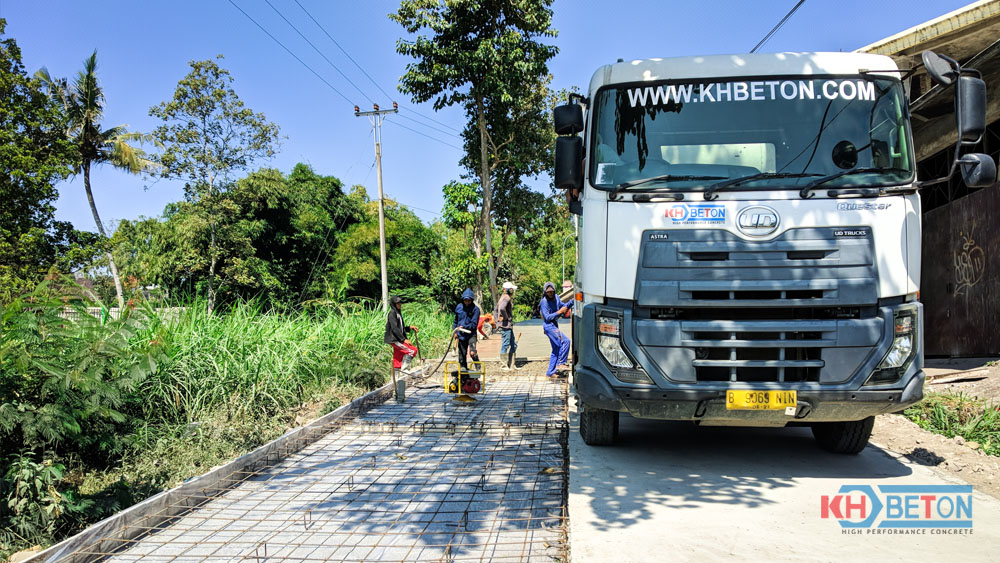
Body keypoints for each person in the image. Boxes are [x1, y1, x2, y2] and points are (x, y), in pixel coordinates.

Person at [540, 281, 573, 378]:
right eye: (548, 292)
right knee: (565, 341)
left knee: (556, 349)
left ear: (554, 291)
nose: (550, 293)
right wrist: (559, 312)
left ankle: (550, 372)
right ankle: (561, 363)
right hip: (549, 326)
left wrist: (572, 301)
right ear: (545, 292)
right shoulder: (544, 302)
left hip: (554, 325)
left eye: (551, 291)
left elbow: (563, 306)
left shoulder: (557, 297)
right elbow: (547, 317)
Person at [384, 295, 418, 372]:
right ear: (393, 304)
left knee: (398, 357)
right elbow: (394, 328)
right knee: (412, 350)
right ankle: (404, 370)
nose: (400, 304)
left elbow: (400, 328)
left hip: (397, 338)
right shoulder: (392, 313)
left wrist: (409, 328)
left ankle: (396, 375)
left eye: (400, 302)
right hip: (394, 339)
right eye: (397, 303)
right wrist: (403, 339)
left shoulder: (398, 313)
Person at [453, 288, 480, 370]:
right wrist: (455, 331)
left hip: (471, 334)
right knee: (462, 354)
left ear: (471, 300)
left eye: (469, 300)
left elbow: (474, 324)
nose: (467, 302)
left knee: (472, 352)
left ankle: (478, 369)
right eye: (465, 300)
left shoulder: (475, 309)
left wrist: (464, 327)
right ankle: (463, 371)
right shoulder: (459, 307)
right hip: (461, 335)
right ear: (463, 300)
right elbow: (455, 321)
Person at [496, 281, 518, 370]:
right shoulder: (506, 298)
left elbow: (496, 310)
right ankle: (504, 366)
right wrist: (506, 318)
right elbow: (501, 308)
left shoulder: (502, 297)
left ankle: (511, 364)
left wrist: (497, 321)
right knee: (505, 344)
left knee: (514, 344)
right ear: (509, 290)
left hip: (507, 325)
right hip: (506, 325)